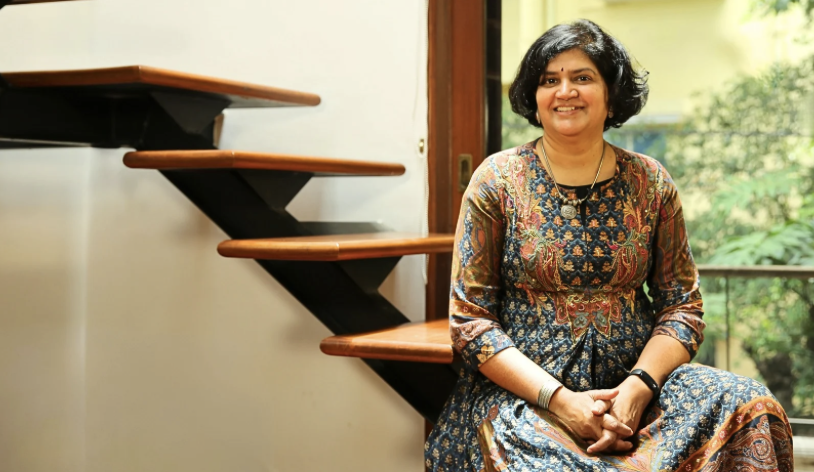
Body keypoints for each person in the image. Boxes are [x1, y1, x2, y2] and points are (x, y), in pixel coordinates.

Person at [425, 19, 793, 471]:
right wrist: (563, 402)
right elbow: (471, 323)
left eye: (582, 78)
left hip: (636, 388)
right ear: (533, 96)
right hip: (526, 395)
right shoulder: (497, 181)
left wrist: (638, 388)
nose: (565, 91)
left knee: (750, 406)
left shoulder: (651, 181)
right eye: (549, 80)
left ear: (611, 94)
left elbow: (682, 306)